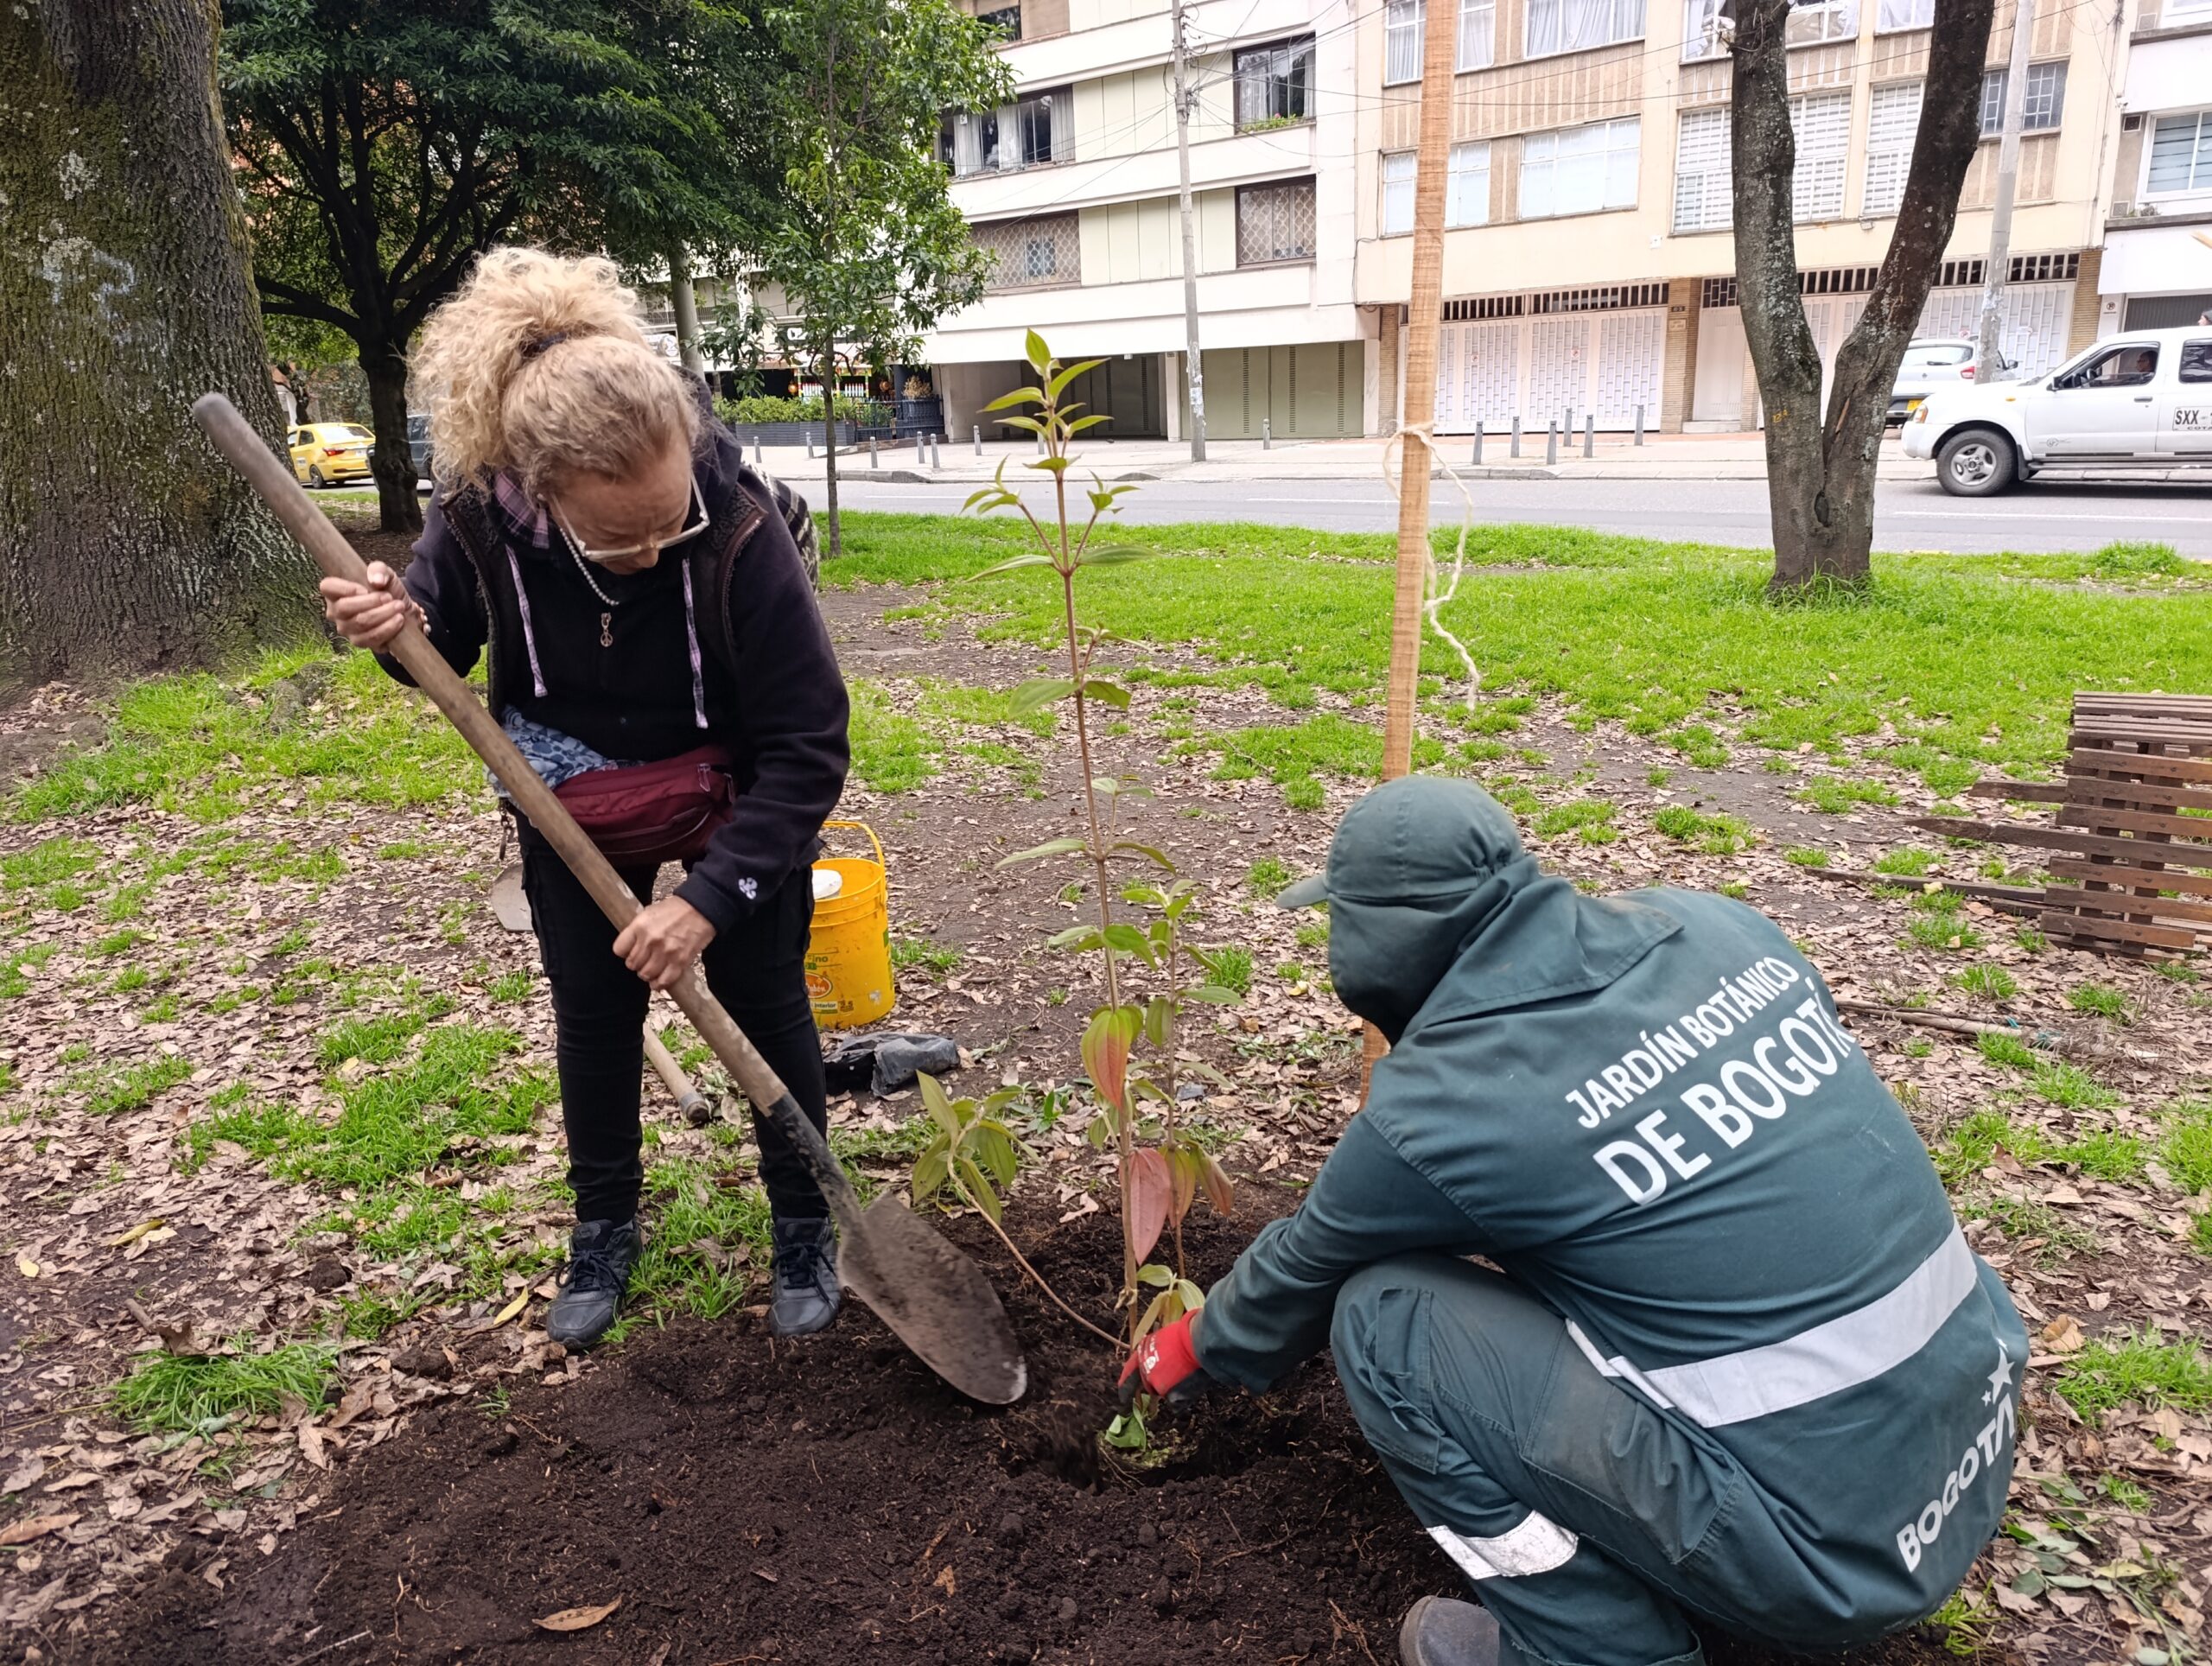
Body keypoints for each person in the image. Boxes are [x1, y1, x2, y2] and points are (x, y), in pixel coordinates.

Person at [1121, 777, 2026, 1666]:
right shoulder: (1718, 926)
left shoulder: (1451, 1104)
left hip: (1825, 1562)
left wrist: (1194, 1344)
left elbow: (1310, 1263)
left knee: (1382, 1321)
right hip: (1973, 1441)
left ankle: (1598, 1648)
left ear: (1379, 940)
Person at [320, 248, 850, 1350]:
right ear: (540, 490)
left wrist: (708, 898)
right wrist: (392, 626)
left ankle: (807, 1218)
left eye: (671, 523)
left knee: (770, 1005)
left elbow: (808, 745)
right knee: (596, 1020)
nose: (657, 550)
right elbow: (437, 637)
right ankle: (604, 1225)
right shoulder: (476, 519)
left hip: (733, 784)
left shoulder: (741, 524)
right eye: (623, 538)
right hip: (569, 791)